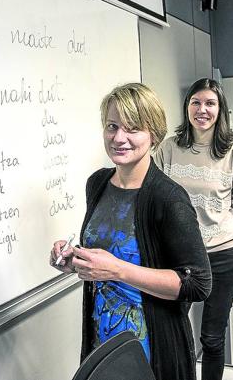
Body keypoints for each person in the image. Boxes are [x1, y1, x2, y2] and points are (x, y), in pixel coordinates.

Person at [50, 82, 212, 380]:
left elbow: (198, 284)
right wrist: (75, 260)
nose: (119, 138)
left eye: (132, 128)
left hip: (150, 346)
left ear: (154, 134)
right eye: (112, 126)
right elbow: (109, 255)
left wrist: (117, 270)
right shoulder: (97, 183)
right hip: (104, 336)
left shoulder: (168, 198)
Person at [154, 78, 233, 380]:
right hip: (178, 259)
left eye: (210, 103)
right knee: (175, 333)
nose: (202, 109)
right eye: (196, 102)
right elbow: (155, 193)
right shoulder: (170, 148)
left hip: (222, 258)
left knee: (211, 338)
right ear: (187, 107)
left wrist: (223, 230)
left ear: (220, 109)